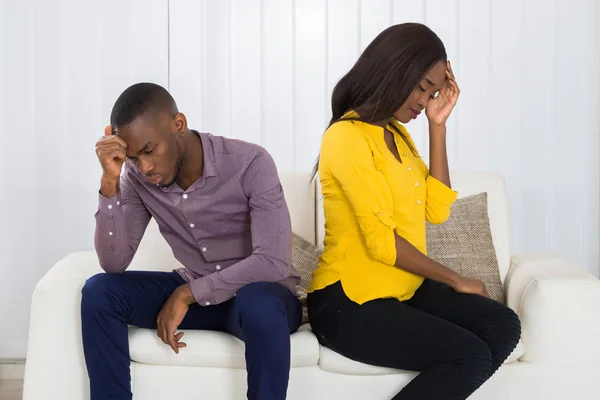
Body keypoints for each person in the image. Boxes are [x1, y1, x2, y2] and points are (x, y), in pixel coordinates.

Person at [307, 23, 520, 400]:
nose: (425, 100)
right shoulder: (344, 136)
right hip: (347, 303)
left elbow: (436, 210)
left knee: (502, 324)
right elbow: (380, 242)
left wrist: (438, 128)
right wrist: (455, 279)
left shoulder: (399, 135)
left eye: (433, 92)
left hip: (403, 291)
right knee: (468, 353)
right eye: (422, 87)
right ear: (393, 69)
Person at [81, 82, 302, 400]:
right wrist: (109, 181)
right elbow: (113, 263)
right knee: (99, 292)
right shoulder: (137, 178)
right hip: (204, 299)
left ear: (178, 125)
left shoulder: (250, 162)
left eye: (149, 150)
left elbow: (272, 261)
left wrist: (187, 294)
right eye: (133, 158)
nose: (145, 168)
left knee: (259, 302)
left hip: (262, 299)